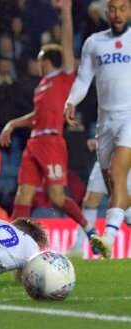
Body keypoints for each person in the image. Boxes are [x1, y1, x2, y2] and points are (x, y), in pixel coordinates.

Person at [0, 0, 98, 249]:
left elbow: (66, 44)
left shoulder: (64, 76)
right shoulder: (41, 86)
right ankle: (15, 245)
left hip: (53, 141)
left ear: (47, 60)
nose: (38, 62)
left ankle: (89, 229)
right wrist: (12, 124)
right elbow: (36, 115)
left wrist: (65, 13)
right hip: (35, 142)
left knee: (56, 197)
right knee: (23, 195)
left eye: (41, 58)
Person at [64, 0, 131, 258]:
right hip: (105, 123)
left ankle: (108, 238)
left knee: (117, 173)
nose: (117, 14)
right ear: (106, 13)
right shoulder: (94, 42)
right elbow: (83, 79)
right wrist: (71, 100)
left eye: (123, 8)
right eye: (113, 9)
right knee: (117, 191)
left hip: (129, 118)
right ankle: (122, 221)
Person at [66, 160, 131, 257]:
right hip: (104, 161)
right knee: (90, 201)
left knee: (122, 203)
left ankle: (108, 241)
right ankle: (78, 247)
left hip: (124, 163)